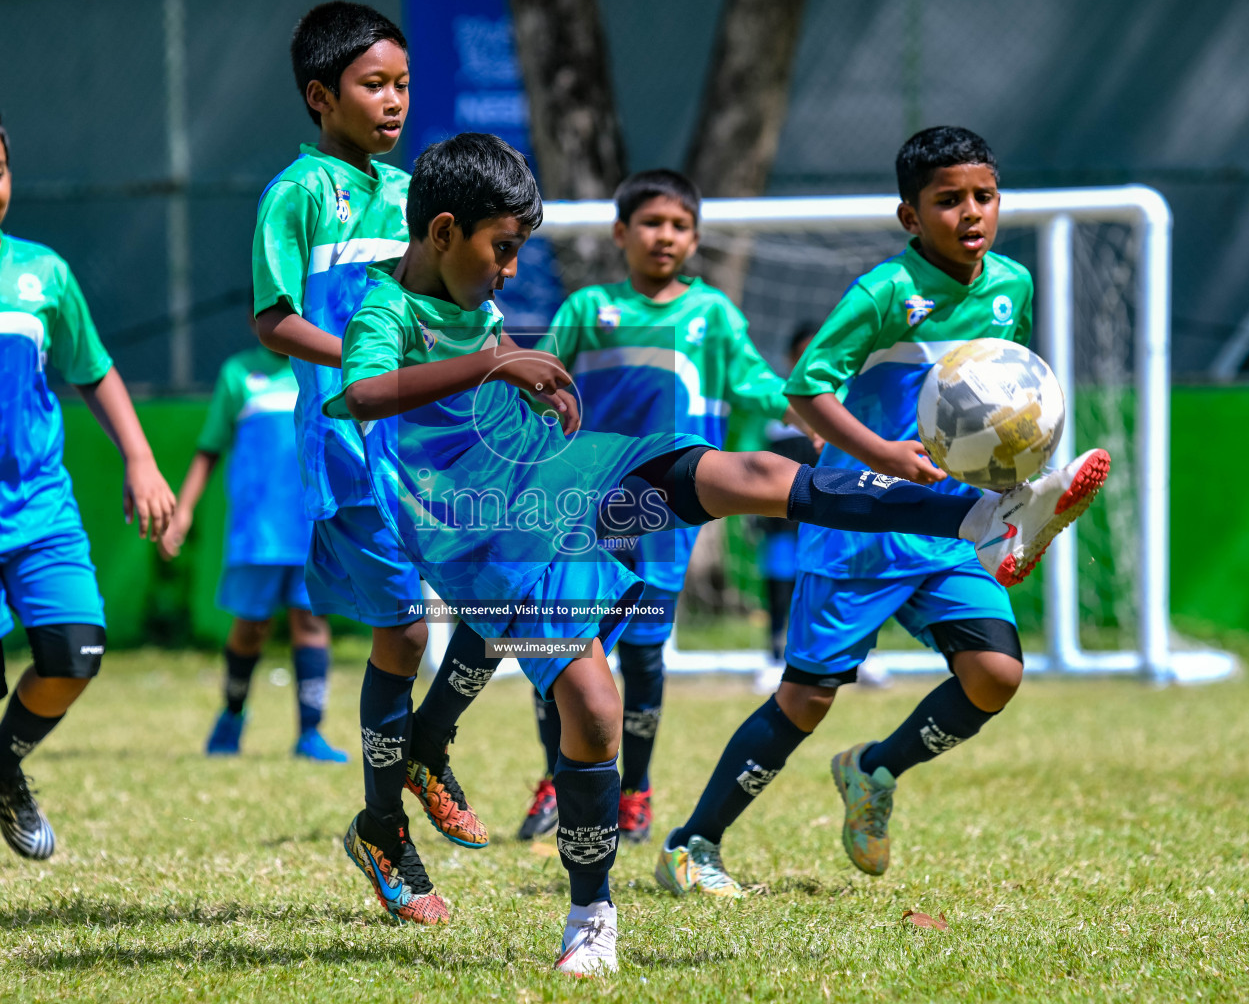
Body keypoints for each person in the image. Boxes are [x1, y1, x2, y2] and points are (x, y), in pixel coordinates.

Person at [324, 131, 1107, 973]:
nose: (511, 271)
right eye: (503, 251)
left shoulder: (469, 288)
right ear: (443, 233)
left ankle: (979, 517)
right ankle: (589, 911)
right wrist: (502, 364)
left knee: (755, 472)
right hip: (484, 542)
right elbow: (362, 393)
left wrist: (521, 378)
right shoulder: (386, 310)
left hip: (565, 476)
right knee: (592, 711)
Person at [655, 125, 1108, 900]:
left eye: (984, 197)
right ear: (910, 216)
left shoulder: (1011, 286)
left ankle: (874, 769)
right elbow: (805, 390)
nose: (971, 214)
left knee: (995, 673)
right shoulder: (884, 294)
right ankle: (693, 843)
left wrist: (1017, 456)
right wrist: (882, 454)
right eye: (948, 200)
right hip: (861, 525)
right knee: (807, 698)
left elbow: (1011, 392)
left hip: (949, 525)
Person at [248, 1, 496, 927]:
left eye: (401, 83)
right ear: (322, 96)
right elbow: (272, 320)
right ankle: (384, 830)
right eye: (372, 85)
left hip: (434, 441)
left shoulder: (411, 192)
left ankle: (428, 743)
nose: (394, 100)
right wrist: (361, 352)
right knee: (404, 634)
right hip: (355, 445)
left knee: (511, 594)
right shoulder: (298, 193)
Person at [0, 101, 178, 877]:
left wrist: (142, 460)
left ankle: (0, 770)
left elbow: (92, 369)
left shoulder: (43, 273)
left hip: (39, 510)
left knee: (75, 651)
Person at [517, 170, 796, 844]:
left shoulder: (714, 317)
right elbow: (541, 380)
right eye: (650, 223)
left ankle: (634, 791)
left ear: (695, 239)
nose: (663, 236)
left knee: (643, 657)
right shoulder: (589, 309)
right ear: (621, 233)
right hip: (584, 511)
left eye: (677, 225)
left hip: (664, 518)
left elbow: (755, 384)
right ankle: (558, 777)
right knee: (558, 648)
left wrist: (807, 407)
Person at [157, 343, 346, 762]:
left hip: (311, 525)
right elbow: (209, 448)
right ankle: (232, 713)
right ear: (255, 319)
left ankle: (310, 733)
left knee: (312, 623)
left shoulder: (322, 368)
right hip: (258, 530)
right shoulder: (238, 373)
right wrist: (183, 511)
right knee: (250, 626)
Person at [752, 326, 823, 696]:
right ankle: (775, 658)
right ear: (789, 359)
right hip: (781, 518)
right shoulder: (775, 403)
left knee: (833, 585)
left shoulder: (841, 402)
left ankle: (855, 654)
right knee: (780, 585)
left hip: (829, 517)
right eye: (802, 353)